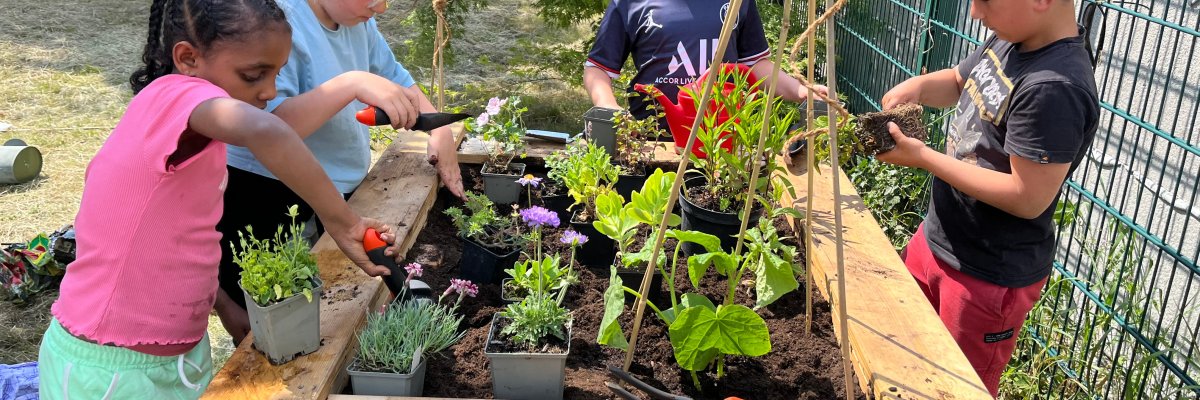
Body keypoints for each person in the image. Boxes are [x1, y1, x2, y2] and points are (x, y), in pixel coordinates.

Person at [37, 0, 400, 398]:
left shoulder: (196, 137)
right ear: (188, 58)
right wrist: (343, 222)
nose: (270, 90)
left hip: (175, 354)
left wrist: (223, 304)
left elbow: (183, 238)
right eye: (253, 75)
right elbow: (271, 132)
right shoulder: (174, 96)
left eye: (276, 73)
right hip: (110, 367)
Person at [875, 0, 1099, 395]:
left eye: (985, 1)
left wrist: (923, 158)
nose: (976, 12)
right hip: (939, 238)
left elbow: (1026, 196)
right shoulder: (1011, 38)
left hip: (985, 277)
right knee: (902, 342)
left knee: (954, 383)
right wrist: (921, 87)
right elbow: (962, 81)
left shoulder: (1054, 88)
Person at [213, 0, 466, 345]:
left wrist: (440, 130)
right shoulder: (274, 22)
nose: (382, 7)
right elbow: (270, 128)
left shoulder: (357, 21)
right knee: (277, 318)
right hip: (266, 194)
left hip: (334, 192)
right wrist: (351, 85)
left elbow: (395, 79)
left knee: (327, 304)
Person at [582, 0, 828, 130]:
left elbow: (755, 64)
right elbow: (598, 68)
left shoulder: (738, 1)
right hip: (653, 138)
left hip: (722, 139)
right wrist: (609, 107)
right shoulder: (628, 2)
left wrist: (800, 90)